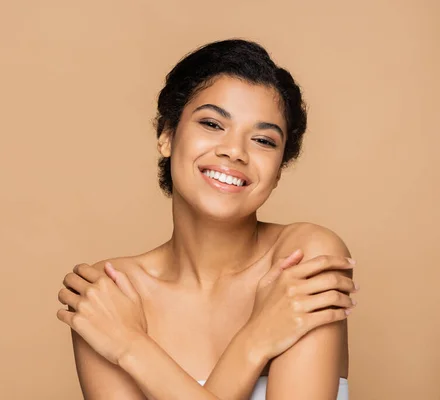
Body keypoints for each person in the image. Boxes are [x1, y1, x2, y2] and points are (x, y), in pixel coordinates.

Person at [56, 39, 358, 399]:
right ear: (167, 135)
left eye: (263, 140)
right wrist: (255, 342)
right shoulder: (109, 294)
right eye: (213, 124)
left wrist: (130, 347)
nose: (235, 151)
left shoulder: (303, 260)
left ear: (279, 171)